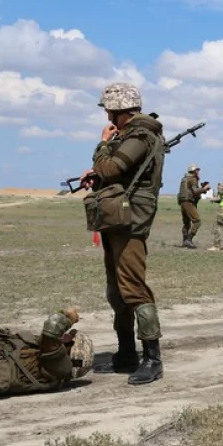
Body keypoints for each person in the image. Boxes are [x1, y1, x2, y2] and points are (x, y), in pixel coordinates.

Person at [79, 83, 165, 385]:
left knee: (132, 286)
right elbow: (112, 172)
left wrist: (103, 145)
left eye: (110, 113)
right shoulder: (129, 136)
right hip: (118, 217)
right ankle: (126, 353)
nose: (108, 118)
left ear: (120, 111)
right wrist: (97, 174)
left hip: (131, 219)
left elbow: (113, 168)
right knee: (116, 290)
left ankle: (152, 358)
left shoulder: (140, 135)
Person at [177, 164, 210, 249]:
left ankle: (184, 241)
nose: (198, 172)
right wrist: (204, 189)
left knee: (186, 222)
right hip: (188, 202)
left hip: (182, 202)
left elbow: (189, 190)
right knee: (197, 221)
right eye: (197, 170)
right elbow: (195, 191)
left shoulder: (184, 178)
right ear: (194, 171)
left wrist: (201, 190)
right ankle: (189, 240)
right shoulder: (193, 179)